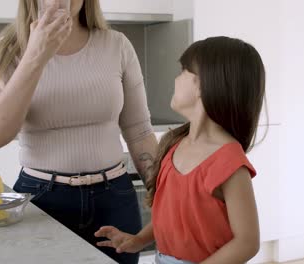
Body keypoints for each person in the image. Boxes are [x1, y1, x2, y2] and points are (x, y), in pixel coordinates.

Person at [0, 0, 158, 263]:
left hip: (115, 199)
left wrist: (163, 191)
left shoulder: (117, 45)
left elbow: (139, 132)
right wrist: (36, 55)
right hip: (41, 199)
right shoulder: (9, 49)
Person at [95, 36, 265, 264]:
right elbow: (171, 215)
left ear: (203, 85)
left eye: (183, 70)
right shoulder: (174, 145)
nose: (175, 78)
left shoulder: (229, 162)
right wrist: (138, 240)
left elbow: (247, 242)